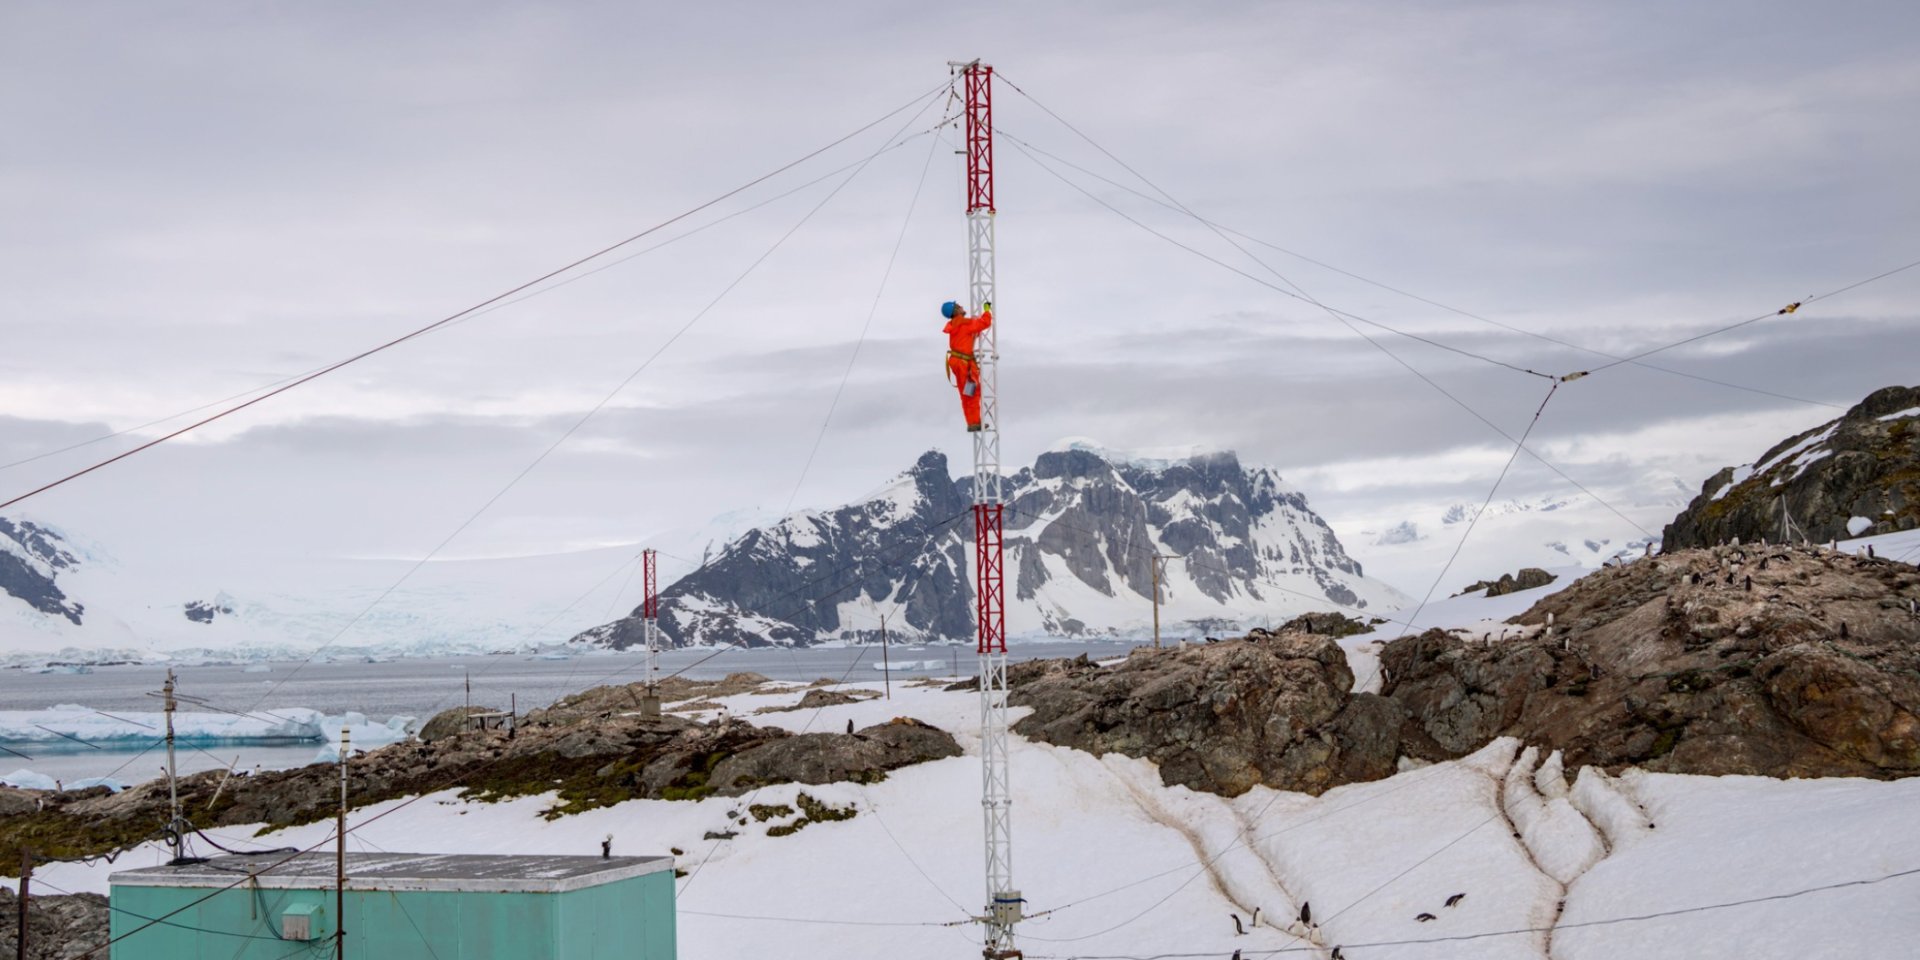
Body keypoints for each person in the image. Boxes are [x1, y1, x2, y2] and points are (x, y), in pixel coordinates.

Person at [941, 299, 993, 431]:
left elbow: (969, 333)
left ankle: (973, 422)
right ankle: (974, 422)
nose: (961, 306)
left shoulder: (955, 324)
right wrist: (987, 311)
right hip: (964, 364)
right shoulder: (964, 323)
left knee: (967, 394)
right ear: (955, 311)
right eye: (958, 306)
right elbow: (985, 323)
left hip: (959, 362)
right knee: (971, 393)